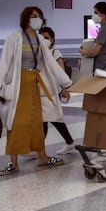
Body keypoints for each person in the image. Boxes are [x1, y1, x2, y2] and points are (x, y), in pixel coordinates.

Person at [0, 6, 72, 176]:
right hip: (18, 87)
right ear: (26, 19)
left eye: (40, 17)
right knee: (16, 124)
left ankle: (42, 157)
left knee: (37, 124)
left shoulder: (41, 41)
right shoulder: (14, 39)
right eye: (34, 16)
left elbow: (50, 63)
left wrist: (65, 83)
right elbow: (4, 64)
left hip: (35, 86)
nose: (38, 19)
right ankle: (13, 162)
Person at [38, 26, 76, 155]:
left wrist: (65, 89)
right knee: (51, 118)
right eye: (41, 38)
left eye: (47, 38)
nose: (44, 40)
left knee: (47, 118)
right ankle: (69, 142)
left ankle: (39, 149)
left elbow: (61, 72)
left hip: (53, 91)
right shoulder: (38, 54)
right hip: (42, 91)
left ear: (52, 40)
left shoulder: (55, 53)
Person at [79, 1, 106, 72]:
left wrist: (81, 51)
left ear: (104, 15)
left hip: (102, 68)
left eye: (96, 13)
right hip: (105, 67)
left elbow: (93, 53)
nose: (94, 15)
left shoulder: (105, 30)